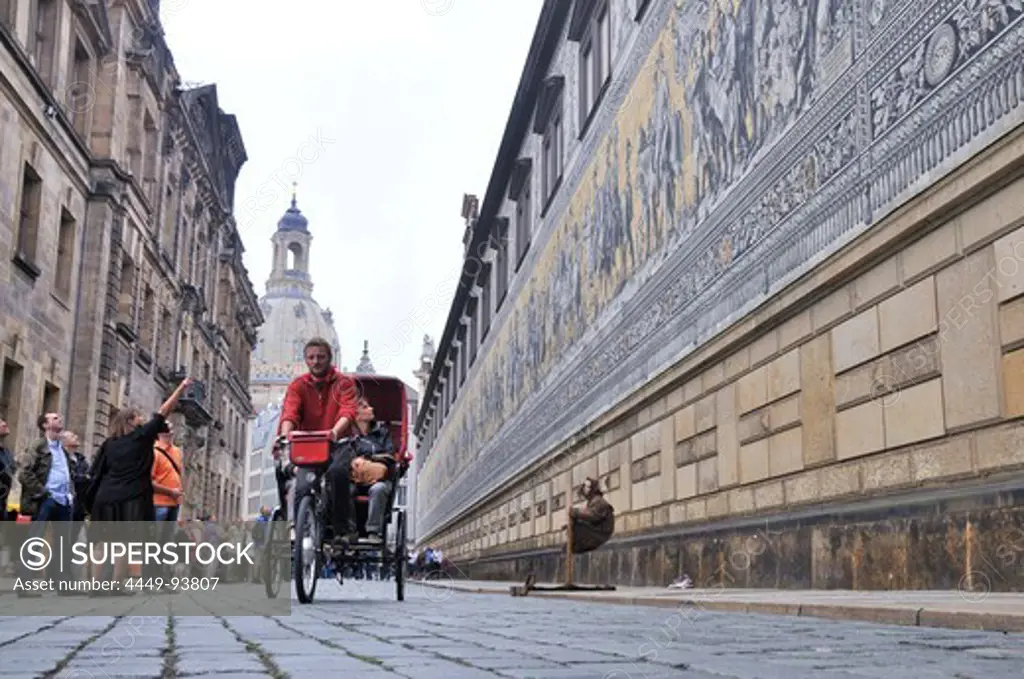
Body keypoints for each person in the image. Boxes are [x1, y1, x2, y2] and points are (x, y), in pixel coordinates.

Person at [85, 377, 191, 588]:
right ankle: (116, 586)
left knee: (102, 542)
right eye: (138, 417)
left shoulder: (108, 444)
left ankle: (96, 586)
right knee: (124, 543)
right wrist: (181, 388)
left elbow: (96, 472)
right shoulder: (141, 438)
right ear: (131, 421)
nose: (142, 419)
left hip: (105, 497)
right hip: (130, 498)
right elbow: (163, 411)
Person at [276, 338, 359, 545]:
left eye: (321, 357)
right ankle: (296, 524)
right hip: (308, 443)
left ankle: (342, 529)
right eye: (311, 357)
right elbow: (290, 412)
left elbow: (348, 411)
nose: (316, 361)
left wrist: (335, 431)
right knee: (298, 480)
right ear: (305, 360)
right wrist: (286, 435)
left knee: (338, 473)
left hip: (337, 442)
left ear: (329, 358)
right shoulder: (298, 385)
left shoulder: (344, 383)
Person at [16, 412, 76, 593]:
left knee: (63, 543)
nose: (59, 419)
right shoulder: (38, 446)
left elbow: (67, 473)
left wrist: (70, 494)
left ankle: (61, 583)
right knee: (35, 540)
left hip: (64, 500)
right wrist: (43, 492)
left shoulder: (61, 449)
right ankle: (25, 584)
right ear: (45, 425)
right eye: (54, 418)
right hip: (46, 500)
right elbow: (24, 473)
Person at [349, 397, 396, 545]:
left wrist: (368, 458)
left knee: (379, 489)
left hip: (378, 477)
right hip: (354, 478)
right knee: (343, 490)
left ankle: (373, 531)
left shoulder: (382, 433)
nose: (371, 409)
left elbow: (390, 455)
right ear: (356, 414)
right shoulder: (350, 436)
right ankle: (349, 530)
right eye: (365, 407)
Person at [568, 477, 615, 554]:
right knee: (577, 526)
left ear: (592, 488)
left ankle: (576, 548)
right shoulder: (593, 501)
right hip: (598, 531)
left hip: (601, 533)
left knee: (579, 527)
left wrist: (576, 512)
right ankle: (574, 548)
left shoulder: (598, 500)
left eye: (586, 487)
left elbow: (593, 516)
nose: (583, 489)